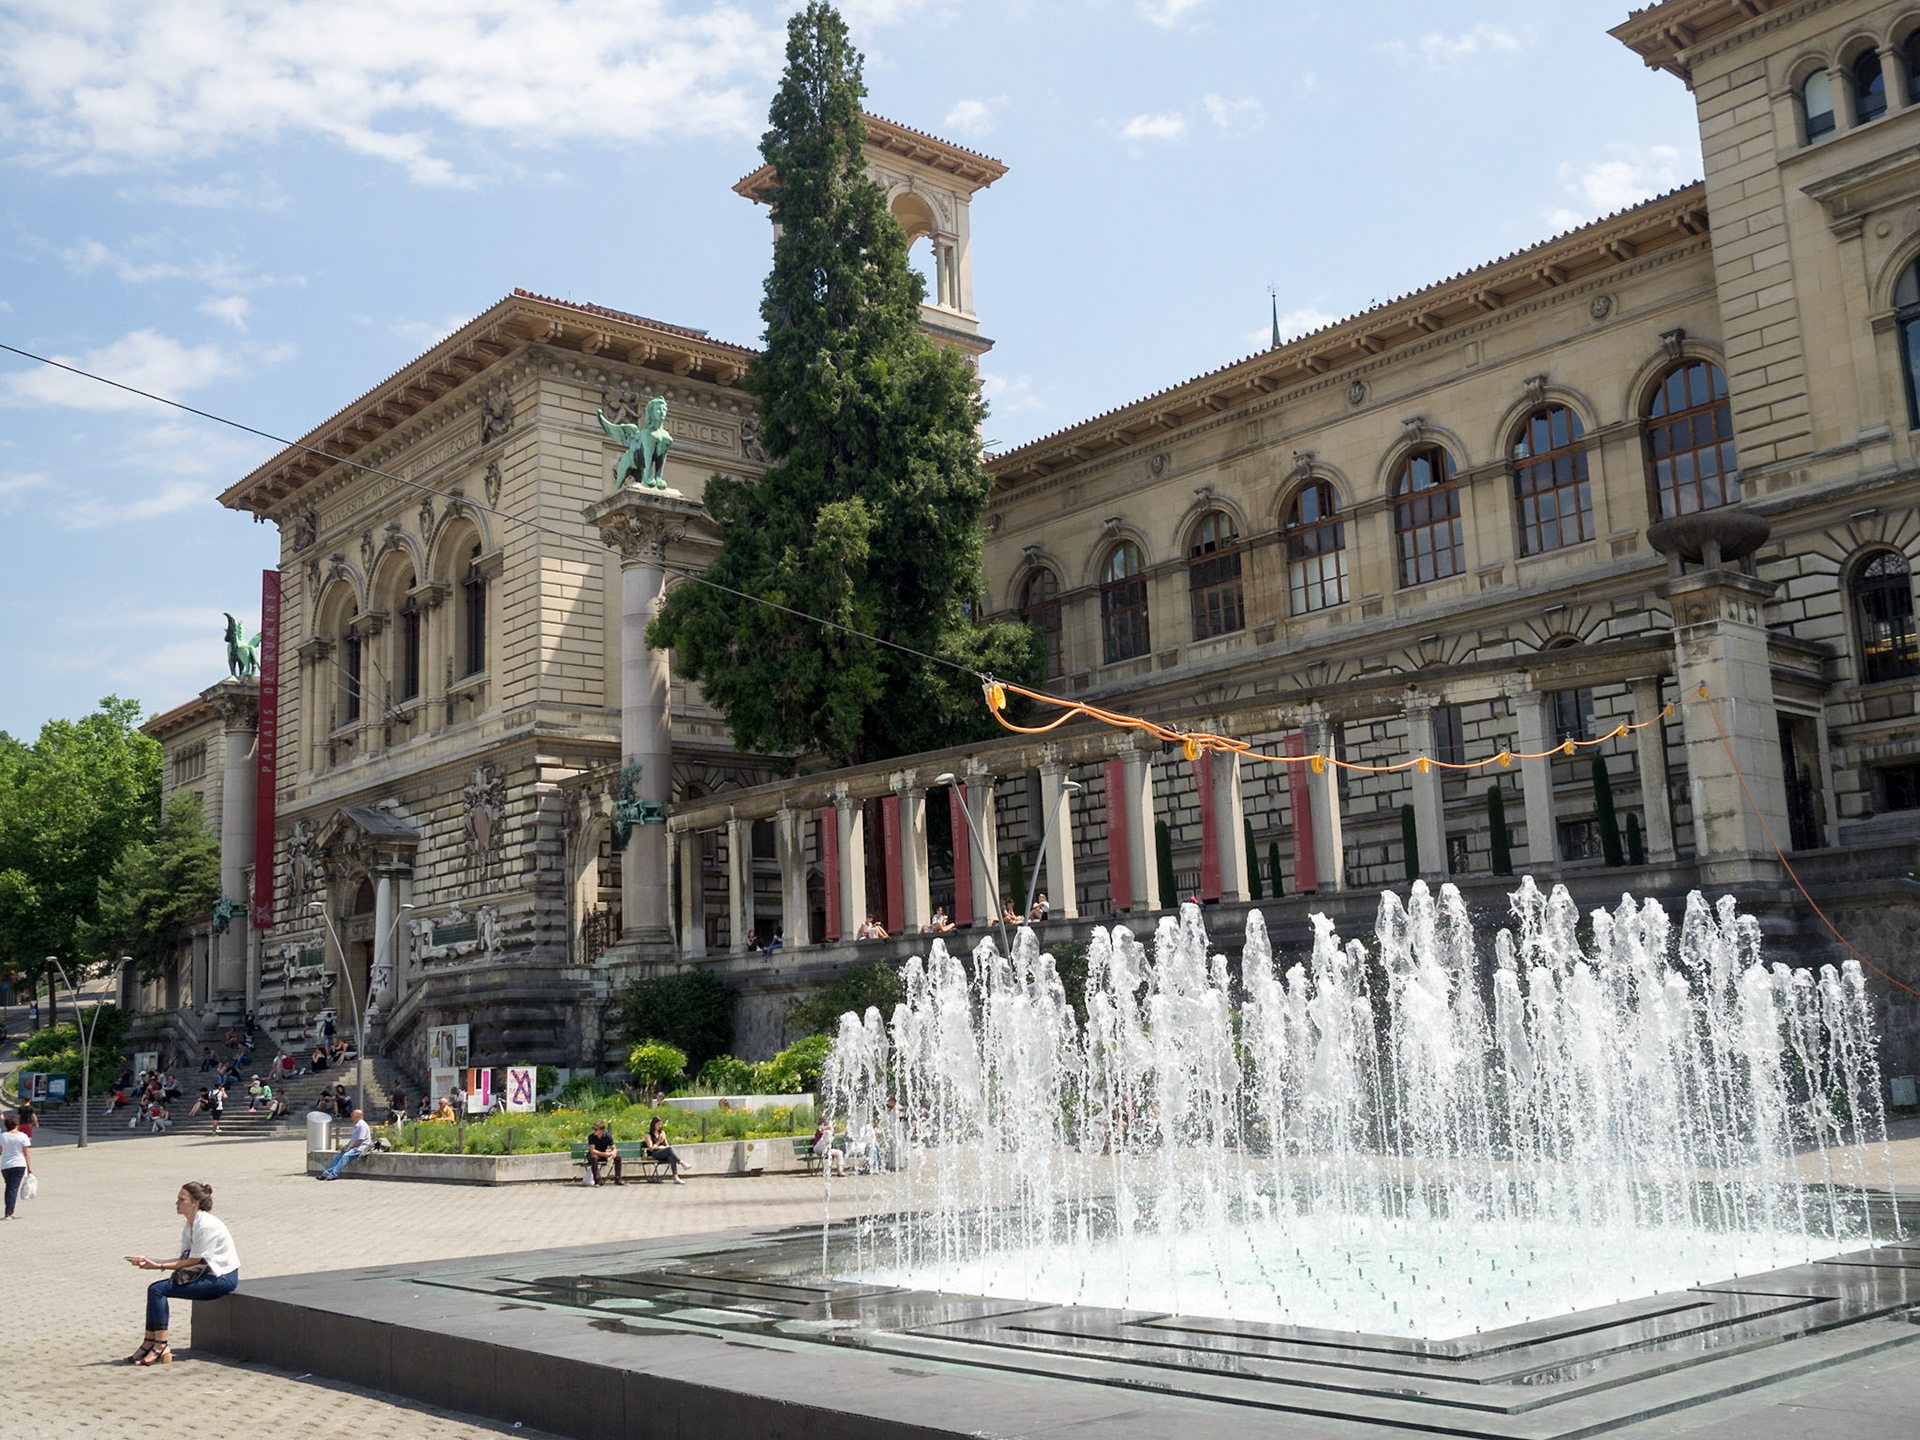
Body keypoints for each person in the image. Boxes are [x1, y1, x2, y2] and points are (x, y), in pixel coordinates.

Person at [125, 1181, 240, 1366]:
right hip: (205, 1274)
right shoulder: (190, 1225)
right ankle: (150, 1342)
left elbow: (193, 1261)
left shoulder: (206, 1225)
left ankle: (160, 1345)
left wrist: (156, 1266)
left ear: (194, 1203)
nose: (176, 1202)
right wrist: (150, 1261)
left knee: (158, 1290)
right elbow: (184, 1259)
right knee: (155, 1289)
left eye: (181, 1199)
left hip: (221, 1279)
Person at [317, 1108, 373, 1181]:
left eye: (353, 1114)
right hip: (355, 1146)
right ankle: (325, 1174)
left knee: (345, 1156)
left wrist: (350, 1148)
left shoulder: (362, 1125)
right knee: (339, 1156)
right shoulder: (357, 1125)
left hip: (361, 1147)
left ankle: (334, 1174)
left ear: (358, 1116)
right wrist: (346, 1147)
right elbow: (353, 1139)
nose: (351, 1116)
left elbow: (360, 1140)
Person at [2, 1114, 31, 1219]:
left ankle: (7, 1210)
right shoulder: (22, 1136)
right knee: (13, 1188)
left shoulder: (2, 1136)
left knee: (9, 1187)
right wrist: (30, 1168)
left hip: (5, 1165)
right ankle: (9, 1213)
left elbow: (0, 1150)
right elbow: (26, 1153)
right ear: (16, 1124)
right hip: (19, 1164)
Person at [643, 1115, 686, 1184]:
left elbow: (667, 1145)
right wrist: (658, 1142)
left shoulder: (662, 1133)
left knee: (671, 1156)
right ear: (653, 1124)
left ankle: (676, 1178)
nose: (659, 1126)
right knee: (669, 1150)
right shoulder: (648, 1135)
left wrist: (665, 1146)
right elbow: (651, 1148)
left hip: (663, 1151)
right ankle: (681, 1162)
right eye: (658, 1124)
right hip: (655, 1153)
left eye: (661, 1124)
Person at [585, 1121, 622, 1186]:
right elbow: (592, 1151)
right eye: (593, 1129)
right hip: (593, 1155)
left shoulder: (607, 1136)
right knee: (594, 1157)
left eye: (596, 1129)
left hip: (603, 1155)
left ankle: (618, 1179)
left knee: (618, 1157)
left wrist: (613, 1153)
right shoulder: (591, 1137)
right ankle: (597, 1180)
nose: (594, 1131)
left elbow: (614, 1148)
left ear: (601, 1130)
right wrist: (604, 1154)